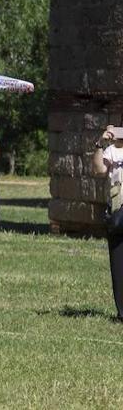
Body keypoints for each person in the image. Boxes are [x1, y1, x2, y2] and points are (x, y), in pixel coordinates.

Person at [92, 125, 123, 321]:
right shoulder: (113, 150)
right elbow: (98, 169)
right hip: (119, 210)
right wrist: (100, 143)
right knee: (118, 262)